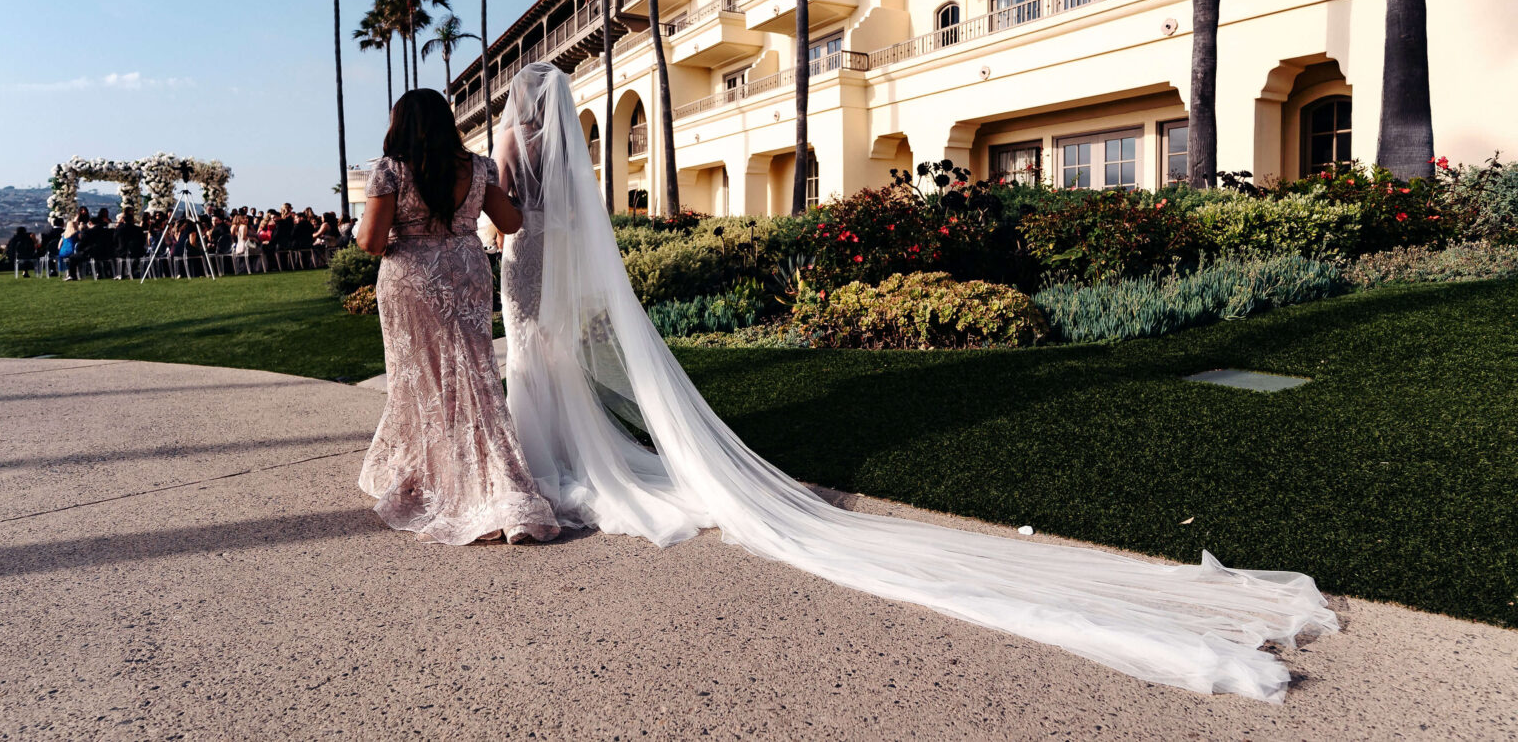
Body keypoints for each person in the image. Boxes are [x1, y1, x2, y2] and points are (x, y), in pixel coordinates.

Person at [491, 62, 1338, 704]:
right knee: (545, 358)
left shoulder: (511, 151)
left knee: (534, 359)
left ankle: (550, 465)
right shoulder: (566, 158)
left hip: (525, 266)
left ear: (521, 112)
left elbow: (502, 214)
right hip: (546, 265)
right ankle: (562, 460)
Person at [355, 88, 558, 546]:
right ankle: (502, 484)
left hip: (410, 279)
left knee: (419, 378)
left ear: (400, 123)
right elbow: (510, 223)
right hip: (466, 271)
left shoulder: (391, 170)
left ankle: (436, 476)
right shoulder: (478, 167)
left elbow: (370, 241)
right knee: (477, 373)